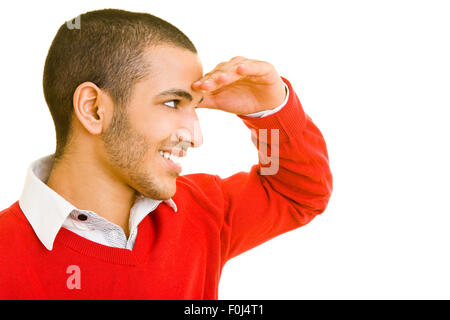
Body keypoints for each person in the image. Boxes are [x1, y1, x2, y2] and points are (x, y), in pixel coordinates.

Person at [0, 8, 333, 299]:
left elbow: (298, 191)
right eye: (172, 103)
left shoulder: (203, 213)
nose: (196, 136)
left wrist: (269, 111)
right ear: (94, 109)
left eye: (195, 107)